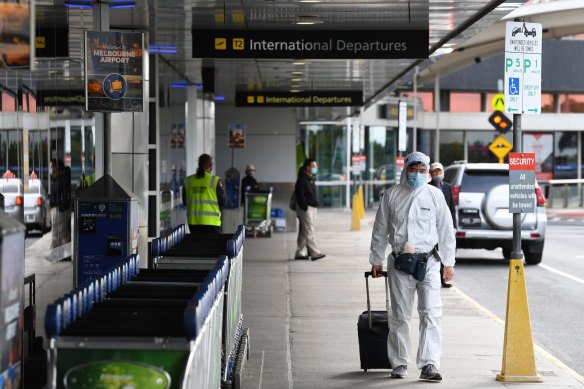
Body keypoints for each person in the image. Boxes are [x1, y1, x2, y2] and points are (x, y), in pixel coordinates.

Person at [369, 151, 455, 381]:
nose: (417, 174)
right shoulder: (392, 195)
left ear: (427, 172)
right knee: (399, 315)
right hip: (400, 263)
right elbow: (380, 229)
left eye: (422, 171)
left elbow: (446, 229)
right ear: (405, 170)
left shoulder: (435, 196)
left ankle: (429, 364)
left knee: (431, 313)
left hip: (429, 263)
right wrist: (376, 259)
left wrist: (448, 262)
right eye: (413, 170)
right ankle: (399, 363)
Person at [182, 154, 226, 233]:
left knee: (198, 245)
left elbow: (185, 202)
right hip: (212, 223)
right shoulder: (215, 180)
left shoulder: (188, 181)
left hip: (193, 223)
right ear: (210, 166)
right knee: (211, 245)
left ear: (198, 164)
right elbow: (223, 202)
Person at [428, 162, 456, 288]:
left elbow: (452, 207)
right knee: (436, 253)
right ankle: (437, 278)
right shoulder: (428, 188)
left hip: (447, 225)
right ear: (431, 174)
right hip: (433, 226)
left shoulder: (448, 187)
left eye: (439, 171)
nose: (437, 174)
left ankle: (445, 279)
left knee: (447, 251)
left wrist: (454, 226)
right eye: (434, 172)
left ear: (443, 172)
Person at [294, 159, 325, 261]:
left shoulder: (310, 178)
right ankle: (315, 253)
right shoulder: (302, 179)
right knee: (309, 230)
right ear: (307, 167)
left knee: (304, 231)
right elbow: (300, 194)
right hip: (306, 209)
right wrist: (304, 207)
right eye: (313, 166)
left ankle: (299, 252)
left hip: (312, 208)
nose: (315, 168)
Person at [48, 159, 71, 258]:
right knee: (57, 231)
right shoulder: (55, 178)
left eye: (52, 166)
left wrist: (60, 205)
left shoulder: (64, 178)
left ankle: (63, 253)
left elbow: (64, 195)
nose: (51, 169)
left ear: (58, 167)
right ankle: (58, 253)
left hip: (61, 208)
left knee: (62, 231)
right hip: (56, 207)